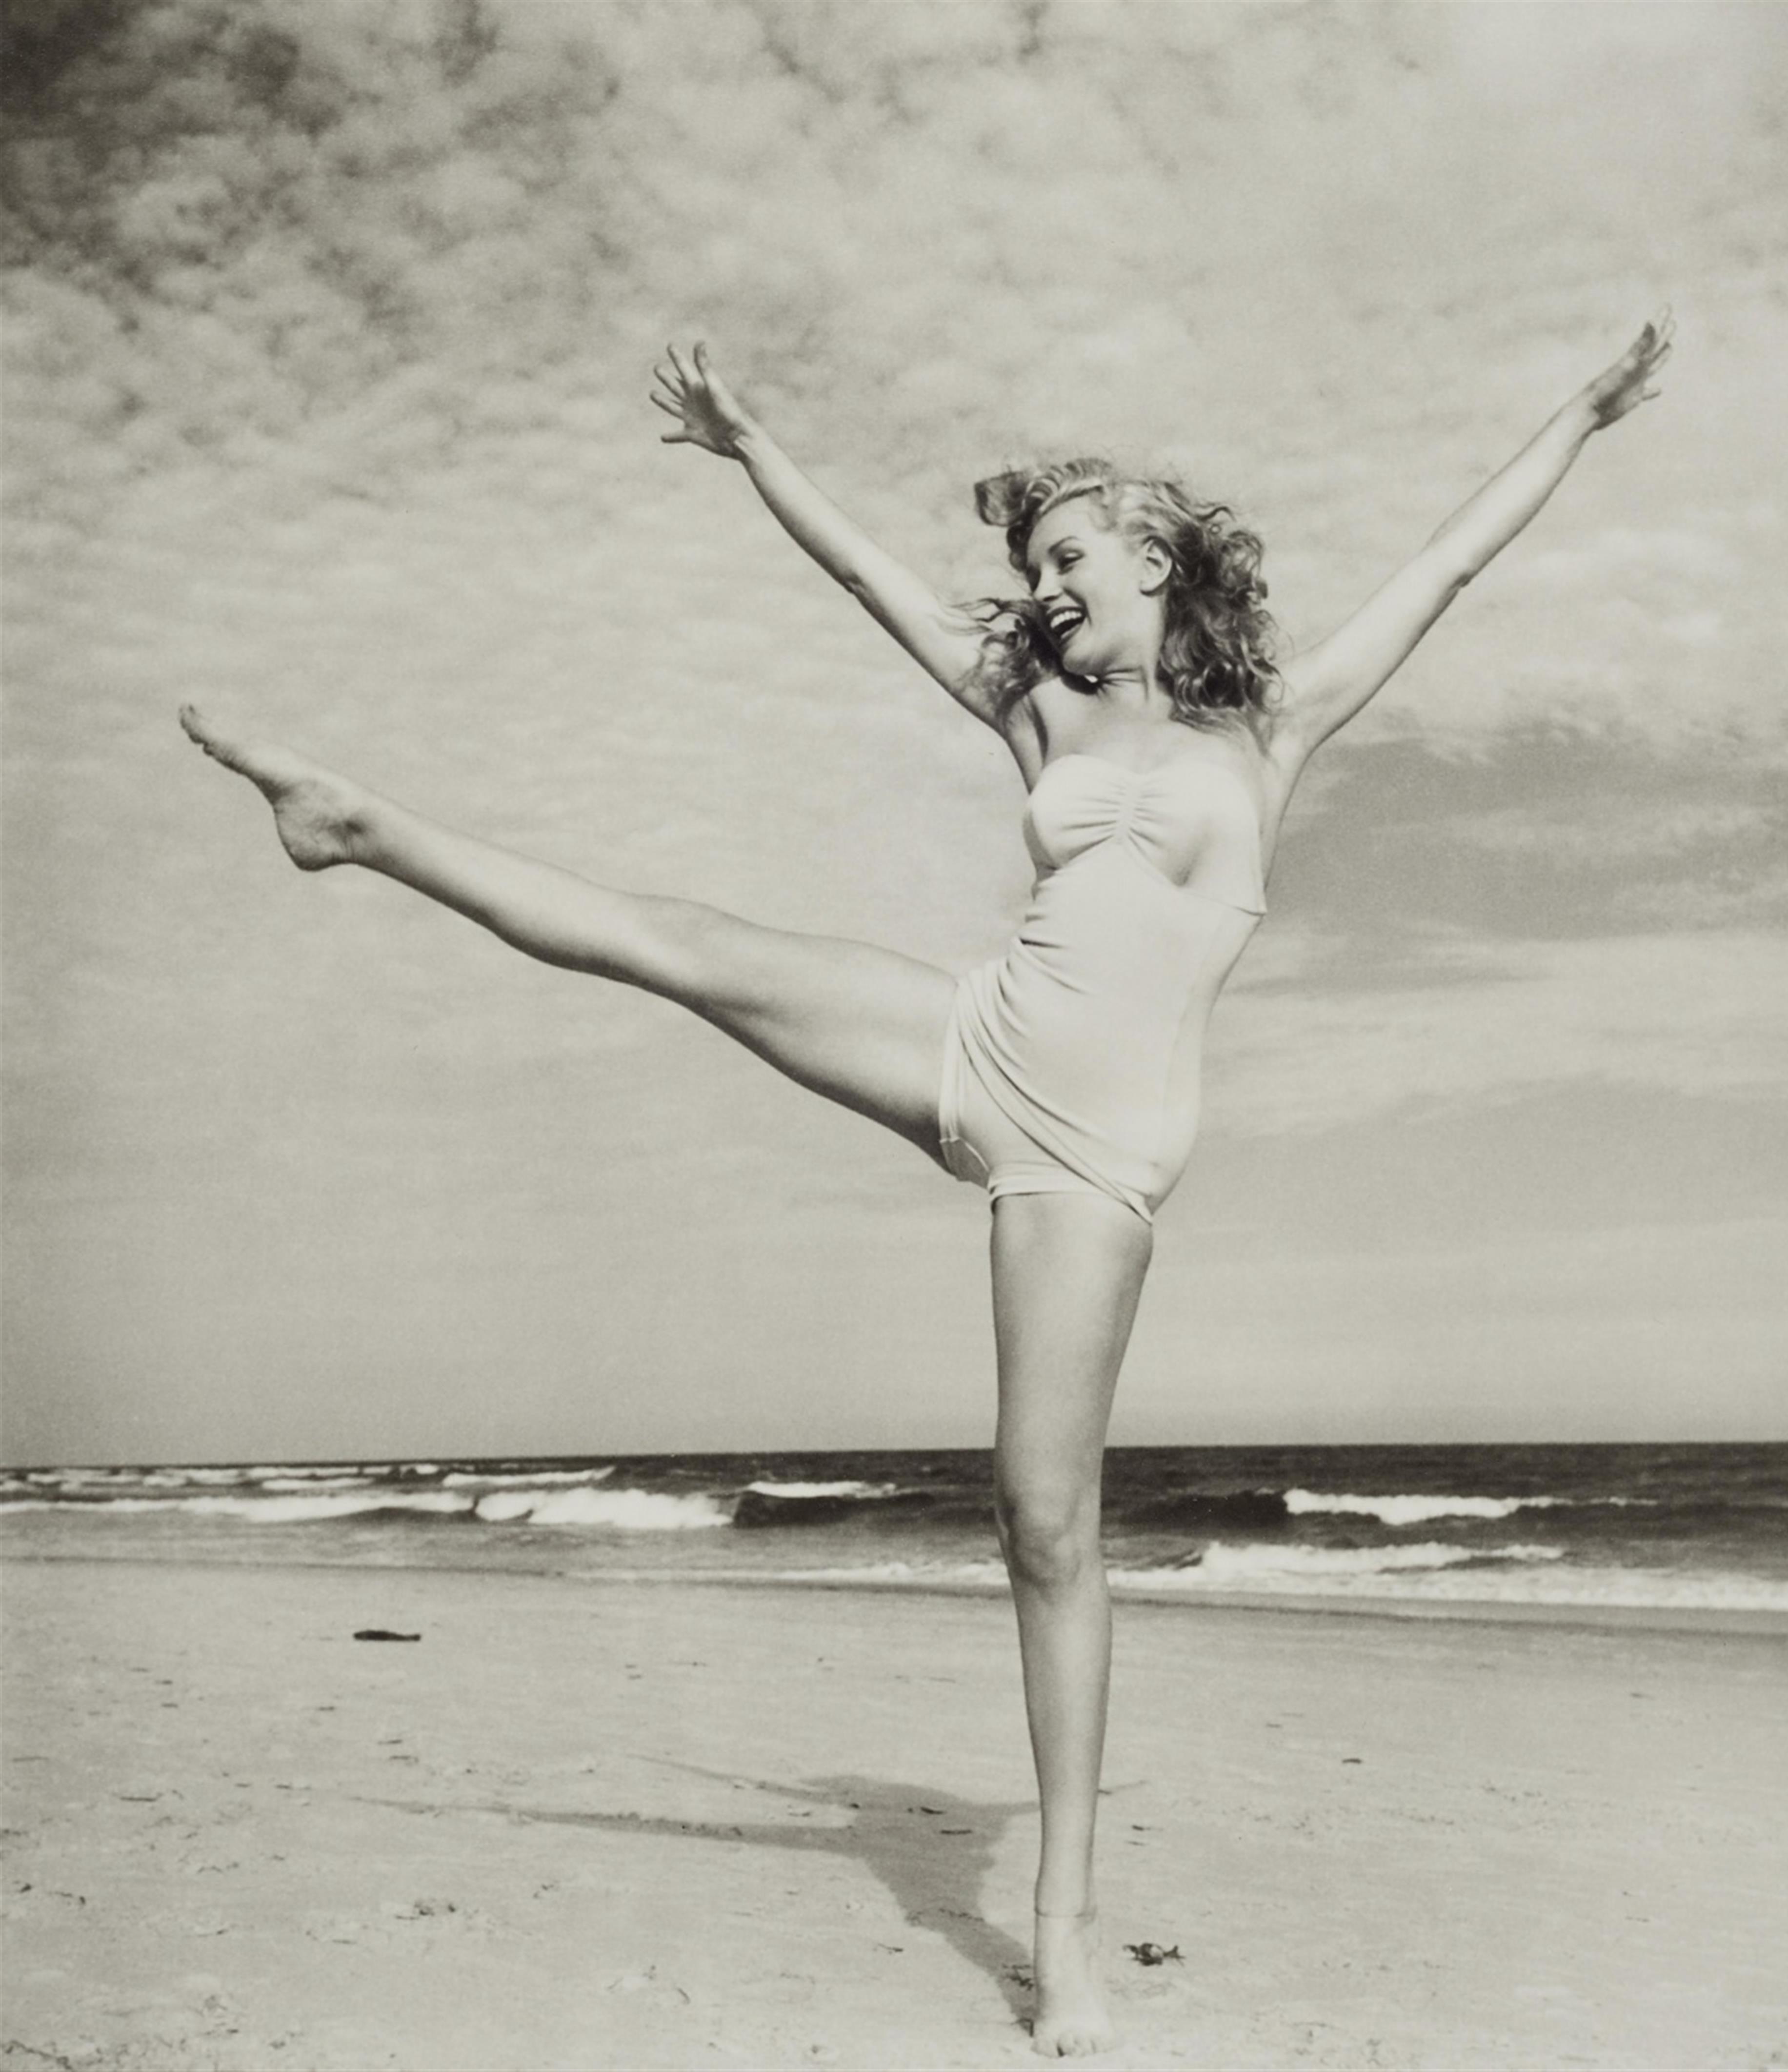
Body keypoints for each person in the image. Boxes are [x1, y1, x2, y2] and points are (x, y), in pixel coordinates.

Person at [181, 312, 1672, 2057]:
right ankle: (357, 827)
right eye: (1031, 569)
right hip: (974, 1041)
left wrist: (1581, 411)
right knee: (683, 942)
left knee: (1045, 1523)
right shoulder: (1037, 717)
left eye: (1068, 557)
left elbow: (1450, 564)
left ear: (1156, 560)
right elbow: (865, 581)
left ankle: (1063, 1930)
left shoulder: (1274, 730)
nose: (1044, 589)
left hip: (1092, 1156)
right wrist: (752, 447)